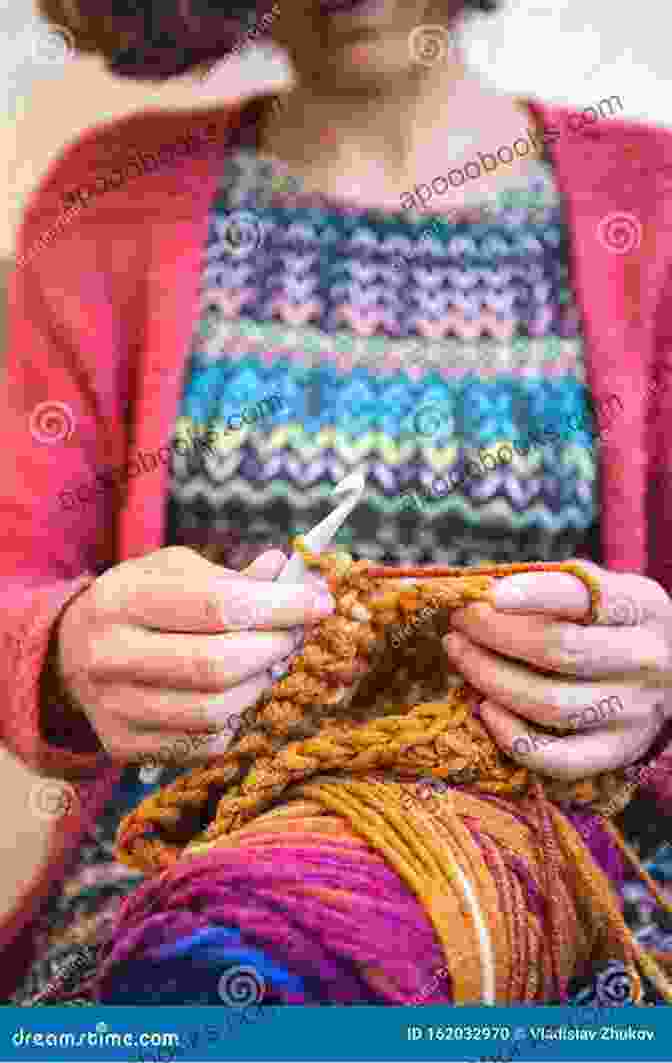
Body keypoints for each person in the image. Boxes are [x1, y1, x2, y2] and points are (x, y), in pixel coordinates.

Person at [5, 0, 672, 1004]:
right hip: (192, 852)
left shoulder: (653, 200)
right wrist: (66, 648)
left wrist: (656, 688)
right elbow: (16, 577)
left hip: (577, 852)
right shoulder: (109, 195)